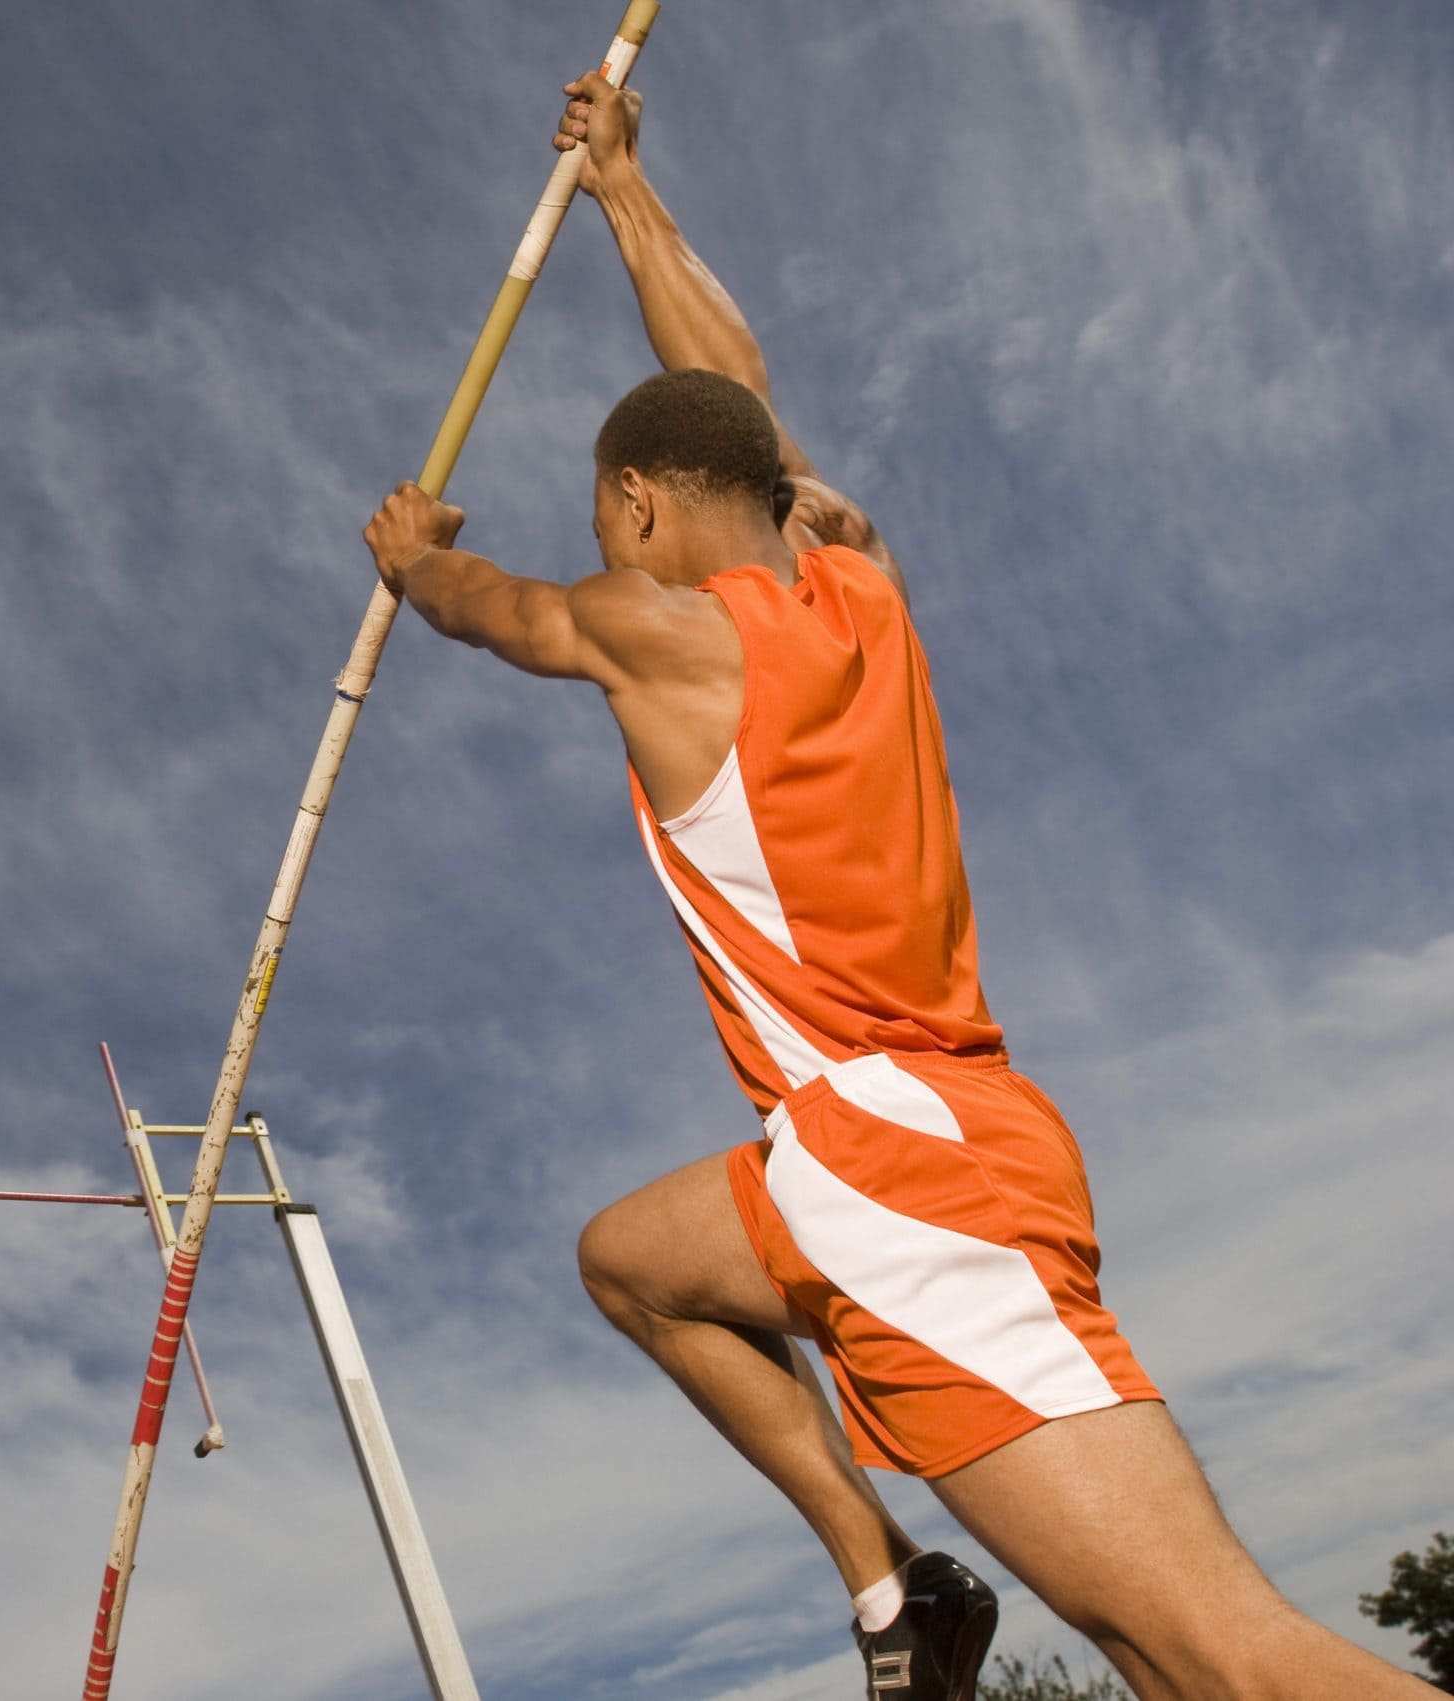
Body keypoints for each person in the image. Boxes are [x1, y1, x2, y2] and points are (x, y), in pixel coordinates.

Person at [358, 74, 1435, 1701]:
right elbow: (730, 388)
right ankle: (894, 1595)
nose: (611, 546)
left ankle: (903, 1592)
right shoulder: (856, 581)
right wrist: (625, 191)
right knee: (631, 1260)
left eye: (613, 518)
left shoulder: (667, 632)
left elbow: (498, 607)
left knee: (1221, 1658)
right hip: (893, 1144)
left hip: (904, 1172)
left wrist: (413, 554)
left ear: (640, 505)